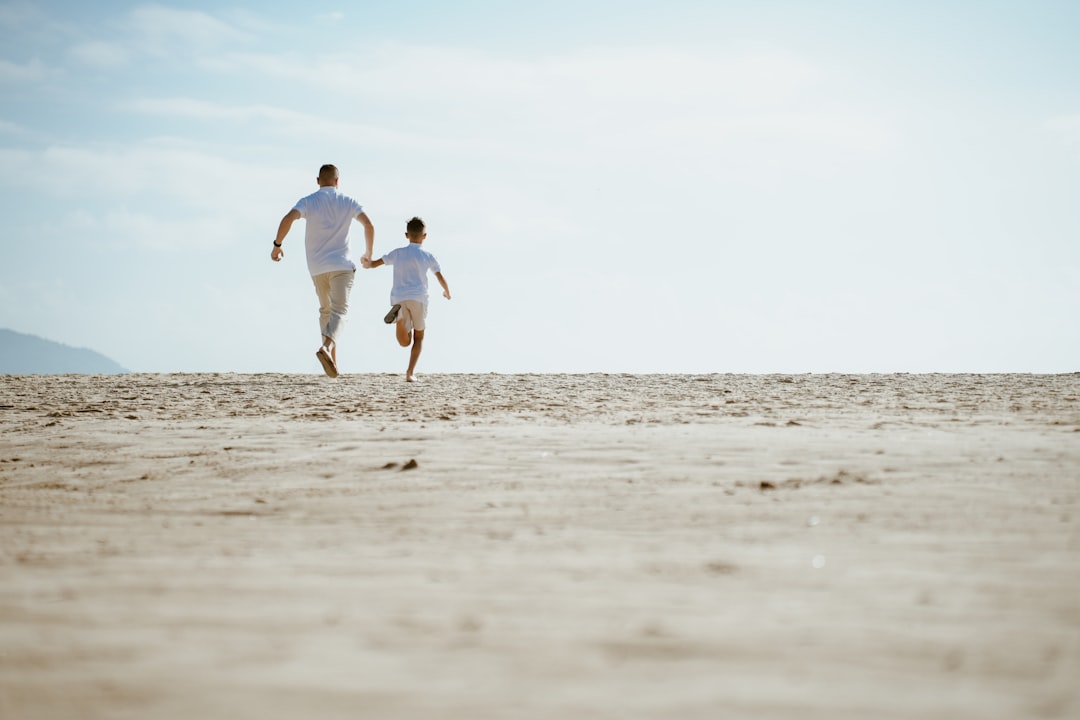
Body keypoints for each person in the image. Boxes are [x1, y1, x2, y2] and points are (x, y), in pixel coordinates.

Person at [271, 164, 374, 378]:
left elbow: (288, 218)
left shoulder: (309, 200)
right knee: (340, 312)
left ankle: (332, 362)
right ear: (338, 181)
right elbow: (369, 225)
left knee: (326, 311)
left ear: (318, 180)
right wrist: (368, 254)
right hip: (342, 266)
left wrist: (277, 245)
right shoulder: (347, 201)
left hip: (317, 267)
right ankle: (327, 348)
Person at [362, 217, 450, 382]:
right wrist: (447, 291)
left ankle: (400, 319)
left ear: (406, 235)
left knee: (403, 343)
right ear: (425, 236)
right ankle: (410, 373)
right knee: (418, 337)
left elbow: (373, 264)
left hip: (399, 298)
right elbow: (439, 277)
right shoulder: (428, 256)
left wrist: (367, 262)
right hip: (419, 298)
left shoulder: (398, 253)